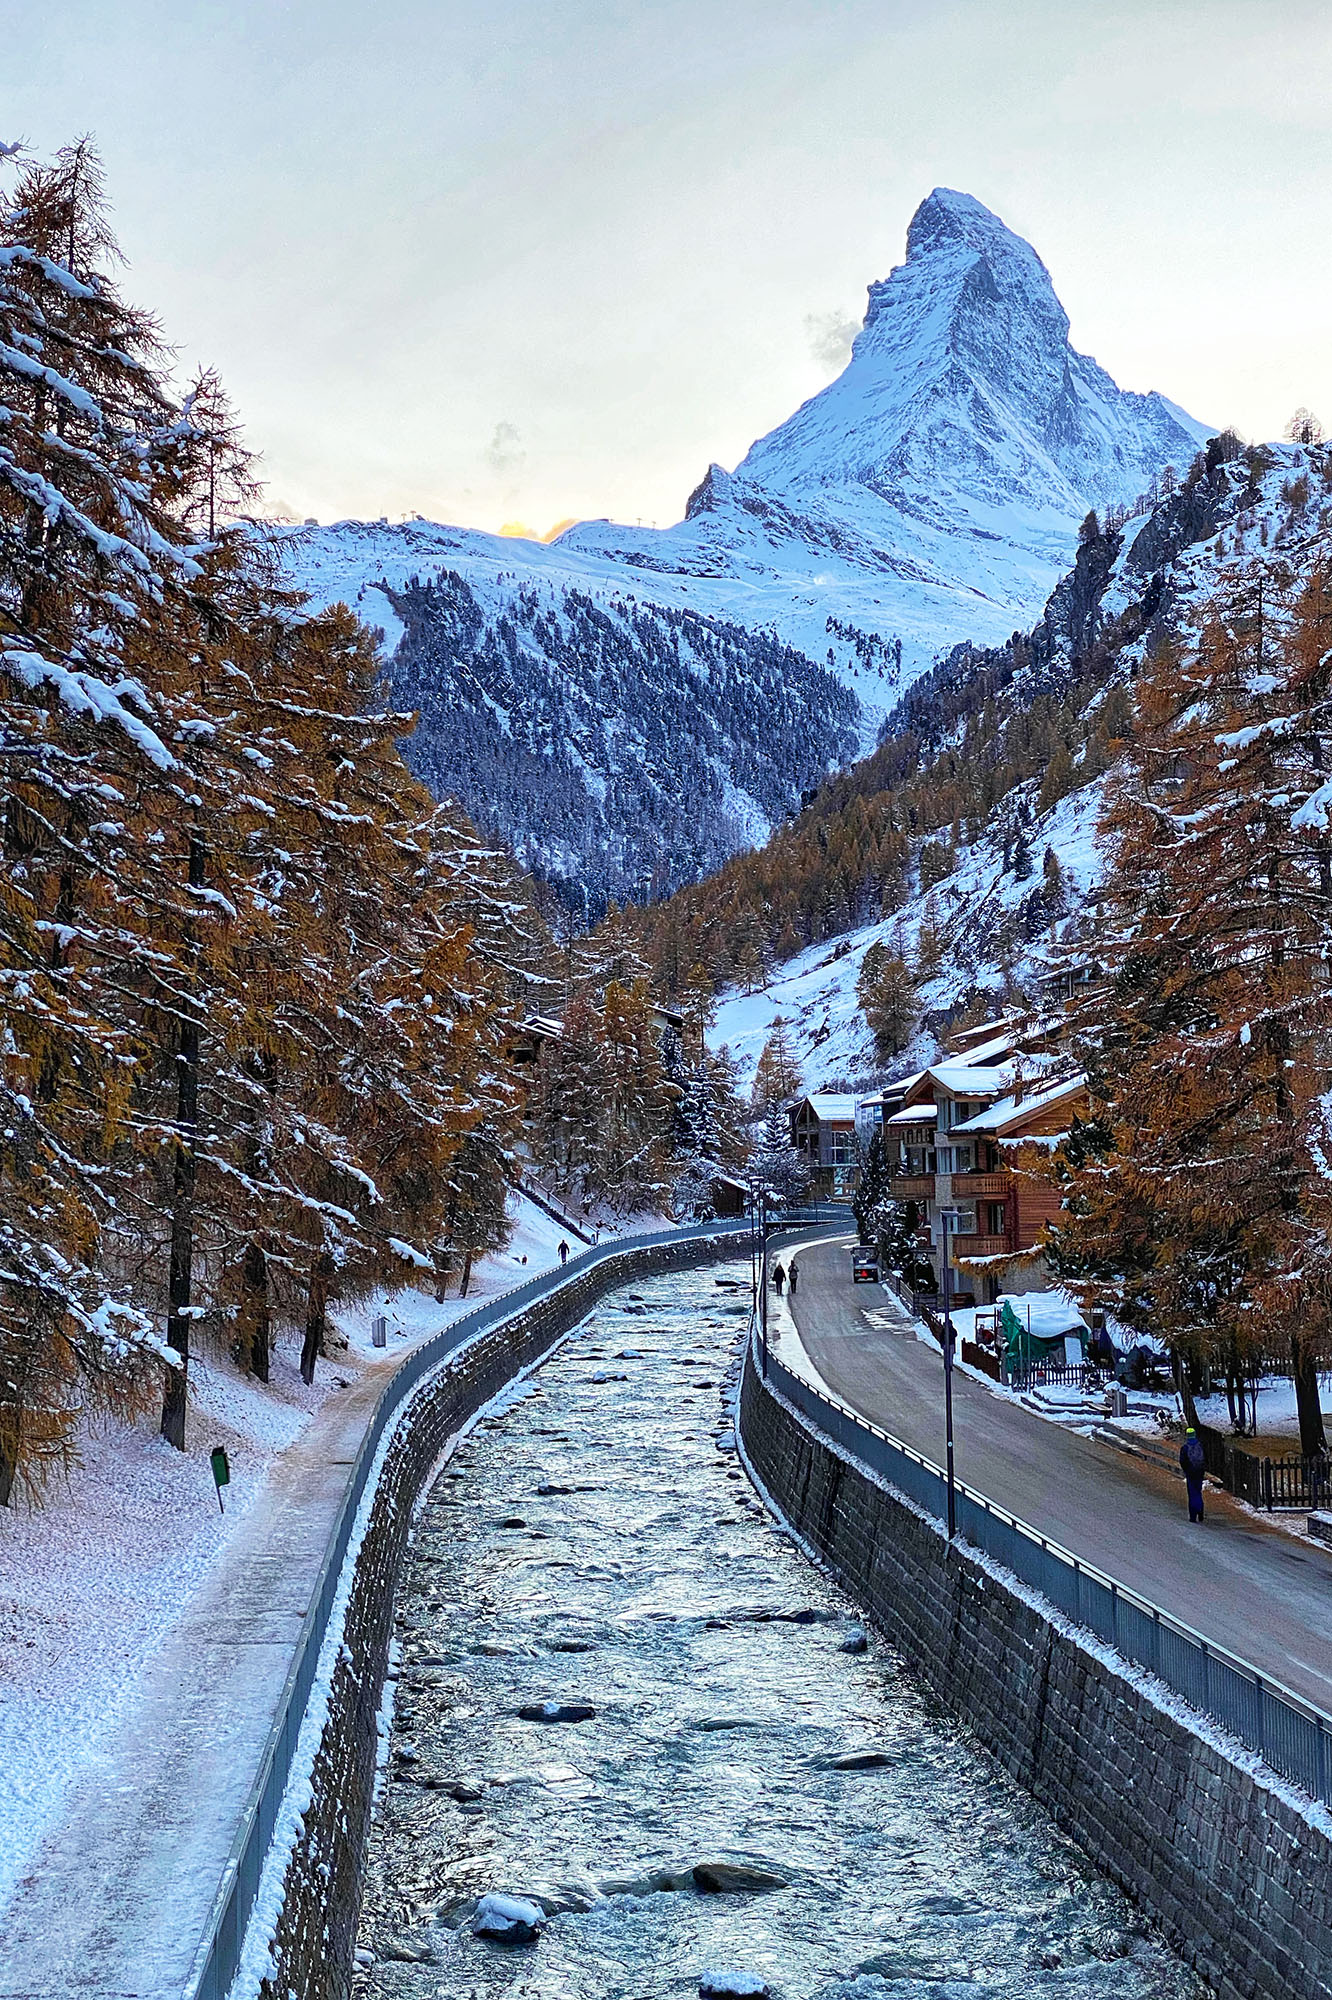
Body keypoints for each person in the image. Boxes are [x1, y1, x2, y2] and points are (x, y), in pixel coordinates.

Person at [1180, 1427, 1206, 1522]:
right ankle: (1200, 1512)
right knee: (1198, 1491)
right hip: (1199, 1472)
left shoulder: (1185, 1447)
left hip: (1190, 1473)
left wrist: (1187, 1470)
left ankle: (1193, 1516)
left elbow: (1182, 1461)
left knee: (1192, 1493)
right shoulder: (1200, 1445)